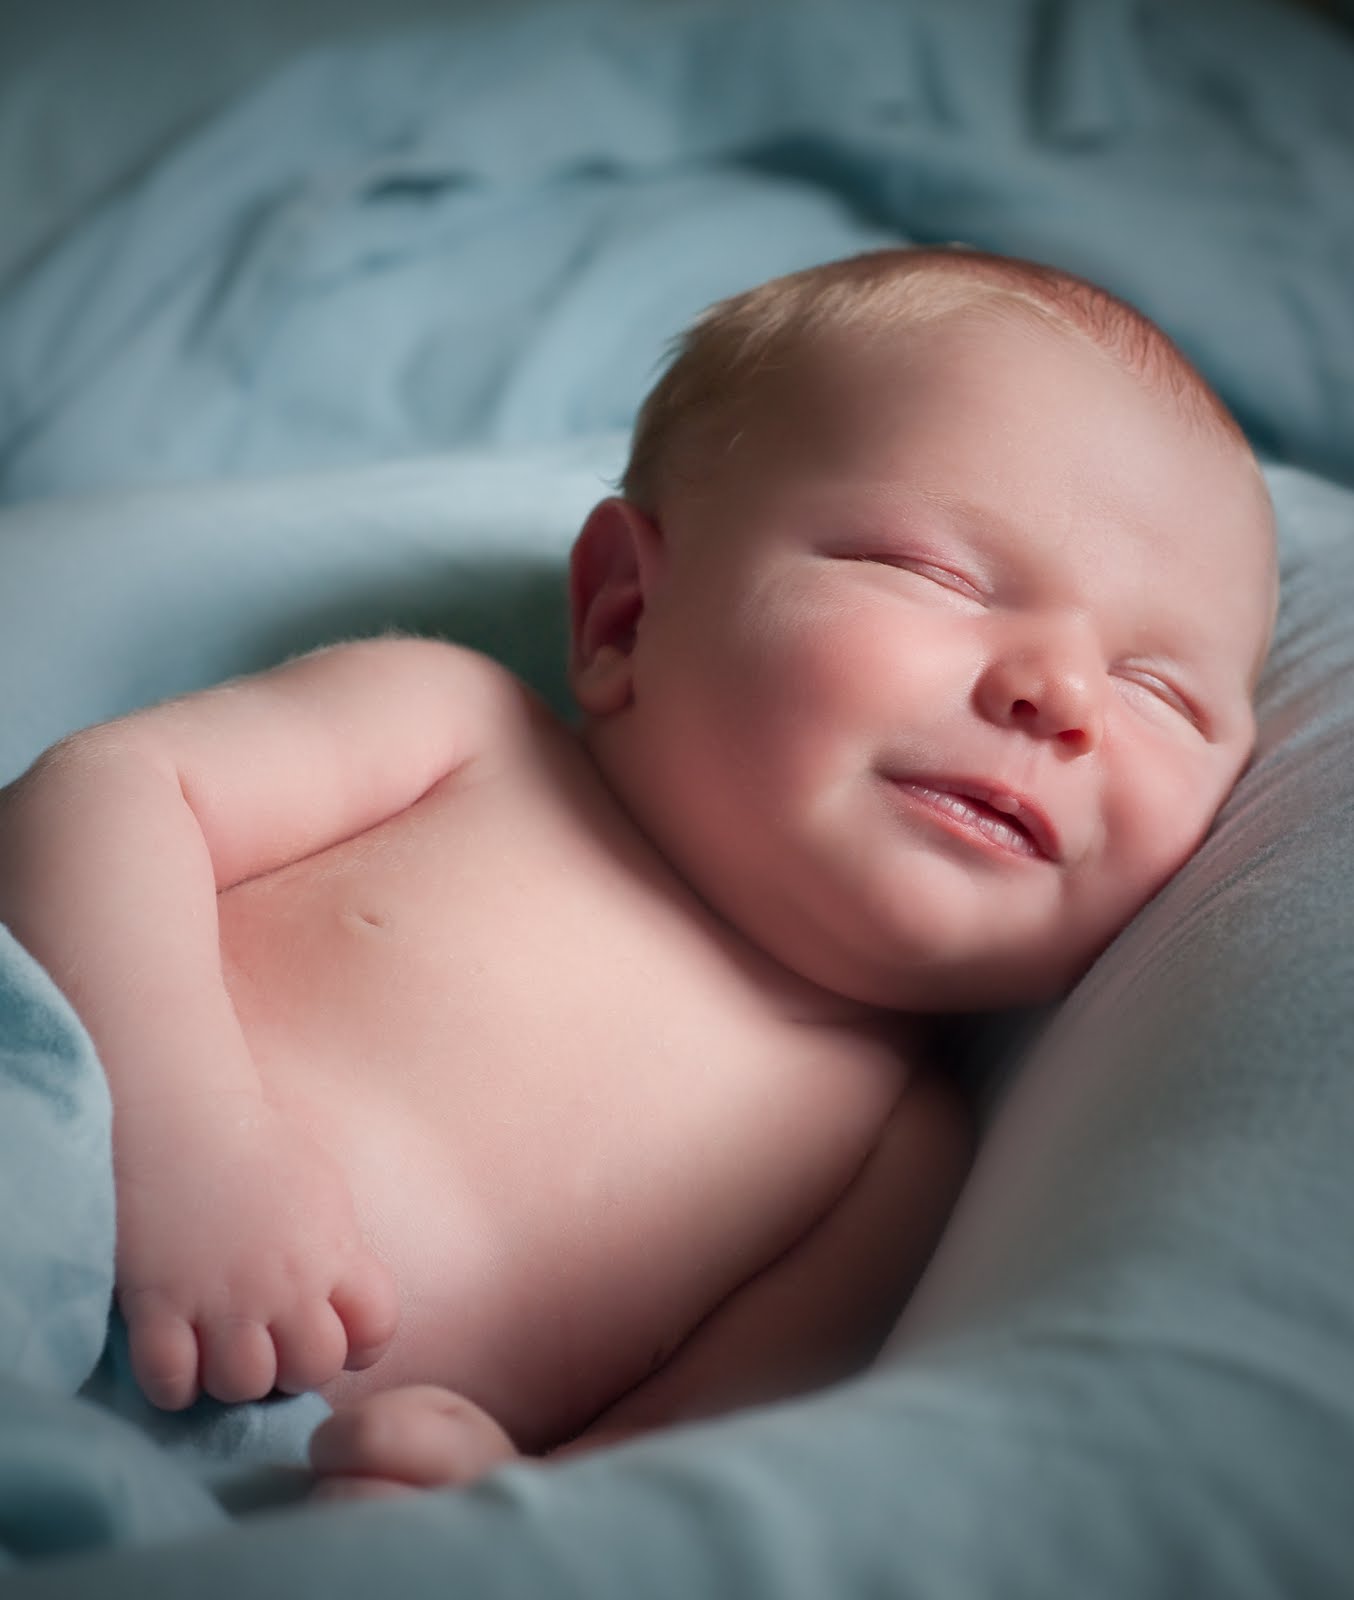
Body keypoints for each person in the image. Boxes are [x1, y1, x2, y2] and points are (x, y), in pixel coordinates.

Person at [0, 247, 1277, 1497]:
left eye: (1157, 692)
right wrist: (184, 1144)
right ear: (624, 614)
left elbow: (687, 1462)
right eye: (929, 572)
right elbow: (100, 798)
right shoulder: (457, 727)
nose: (1058, 694)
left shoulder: (896, 1160)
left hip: (232, 1470)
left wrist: (478, 1489)